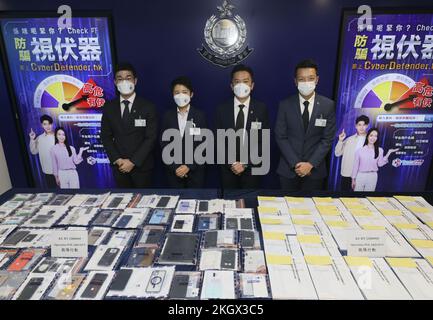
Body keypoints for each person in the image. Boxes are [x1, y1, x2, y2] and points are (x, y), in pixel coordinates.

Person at [275, 59, 336, 191]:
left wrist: (310, 164)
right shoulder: (285, 105)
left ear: (317, 80)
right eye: (302, 79)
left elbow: (327, 139)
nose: (306, 82)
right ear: (295, 82)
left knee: (312, 210)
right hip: (288, 170)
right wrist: (296, 164)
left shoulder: (328, 105)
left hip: (315, 172)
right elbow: (281, 137)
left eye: (310, 78)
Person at [101, 63, 158, 188]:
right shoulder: (109, 107)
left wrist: (133, 162)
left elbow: (151, 138)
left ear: (135, 80)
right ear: (115, 82)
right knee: (122, 203)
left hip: (142, 167)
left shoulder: (148, 107)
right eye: (120, 79)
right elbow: (105, 136)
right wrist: (118, 160)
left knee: (144, 203)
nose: (124, 82)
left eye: (128, 78)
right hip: (119, 167)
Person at [215, 64, 270, 189]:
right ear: (232, 86)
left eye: (245, 81)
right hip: (228, 169)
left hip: (252, 170)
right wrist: (232, 163)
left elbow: (264, 141)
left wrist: (245, 163)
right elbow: (218, 140)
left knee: (250, 205)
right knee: (228, 204)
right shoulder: (221, 109)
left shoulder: (261, 109)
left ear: (252, 85)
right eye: (237, 82)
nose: (241, 85)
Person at [160, 76, 207, 188]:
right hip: (173, 171)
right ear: (173, 95)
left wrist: (188, 166)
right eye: (177, 92)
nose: (180, 95)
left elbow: (205, 144)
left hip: (196, 171)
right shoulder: (167, 116)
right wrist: (175, 166)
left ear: (191, 94)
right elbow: (163, 144)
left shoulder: (200, 116)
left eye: (184, 92)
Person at [334, 115, 369, 191]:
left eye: (364, 125)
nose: (361, 127)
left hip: (362, 174)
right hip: (347, 173)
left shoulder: (370, 140)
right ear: (356, 126)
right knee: (345, 196)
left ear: (367, 126)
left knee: (360, 198)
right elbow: (337, 153)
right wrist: (340, 141)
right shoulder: (349, 139)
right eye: (359, 125)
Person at [29, 115, 56, 188]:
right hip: (48, 172)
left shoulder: (58, 137)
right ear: (42, 125)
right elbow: (34, 151)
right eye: (45, 124)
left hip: (61, 171)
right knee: (55, 194)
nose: (48, 126)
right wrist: (32, 139)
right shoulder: (40, 138)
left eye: (49, 124)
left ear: (52, 124)